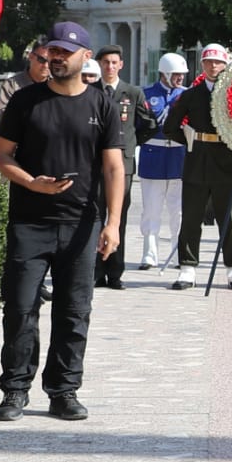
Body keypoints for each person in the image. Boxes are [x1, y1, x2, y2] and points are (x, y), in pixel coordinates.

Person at [0, 22, 123, 422]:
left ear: (86, 56)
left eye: (66, 51)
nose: (57, 57)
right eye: (53, 51)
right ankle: (15, 389)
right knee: (20, 307)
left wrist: (112, 224)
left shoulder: (102, 105)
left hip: (81, 225)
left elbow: (114, 168)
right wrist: (33, 183)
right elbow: (1, 156)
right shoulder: (25, 101)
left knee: (74, 310)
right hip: (30, 223)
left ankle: (64, 390)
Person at [159, 44, 232, 292]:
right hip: (197, 160)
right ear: (202, 65)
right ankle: (188, 267)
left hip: (227, 161)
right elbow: (170, 127)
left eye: (218, 63)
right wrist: (188, 139)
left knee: (231, 219)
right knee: (191, 217)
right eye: (208, 62)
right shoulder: (191, 95)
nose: (213, 67)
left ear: (225, 65)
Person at [93, 48, 154, 289]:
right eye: (105, 62)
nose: (109, 67)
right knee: (96, 216)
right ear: (99, 64)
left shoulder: (133, 92)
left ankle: (115, 273)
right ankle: (96, 271)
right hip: (96, 163)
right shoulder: (90, 90)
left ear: (121, 65)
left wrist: (130, 144)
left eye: (114, 63)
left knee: (118, 218)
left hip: (124, 163)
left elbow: (149, 123)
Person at [135, 52, 188, 270]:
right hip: (153, 156)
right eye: (176, 74)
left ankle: (178, 253)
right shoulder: (146, 94)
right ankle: (149, 253)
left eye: (182, 74)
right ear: (165, 73)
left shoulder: (186, 95)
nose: (181, 78)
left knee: (178, 210)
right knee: (151, 209)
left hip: (178, 156)